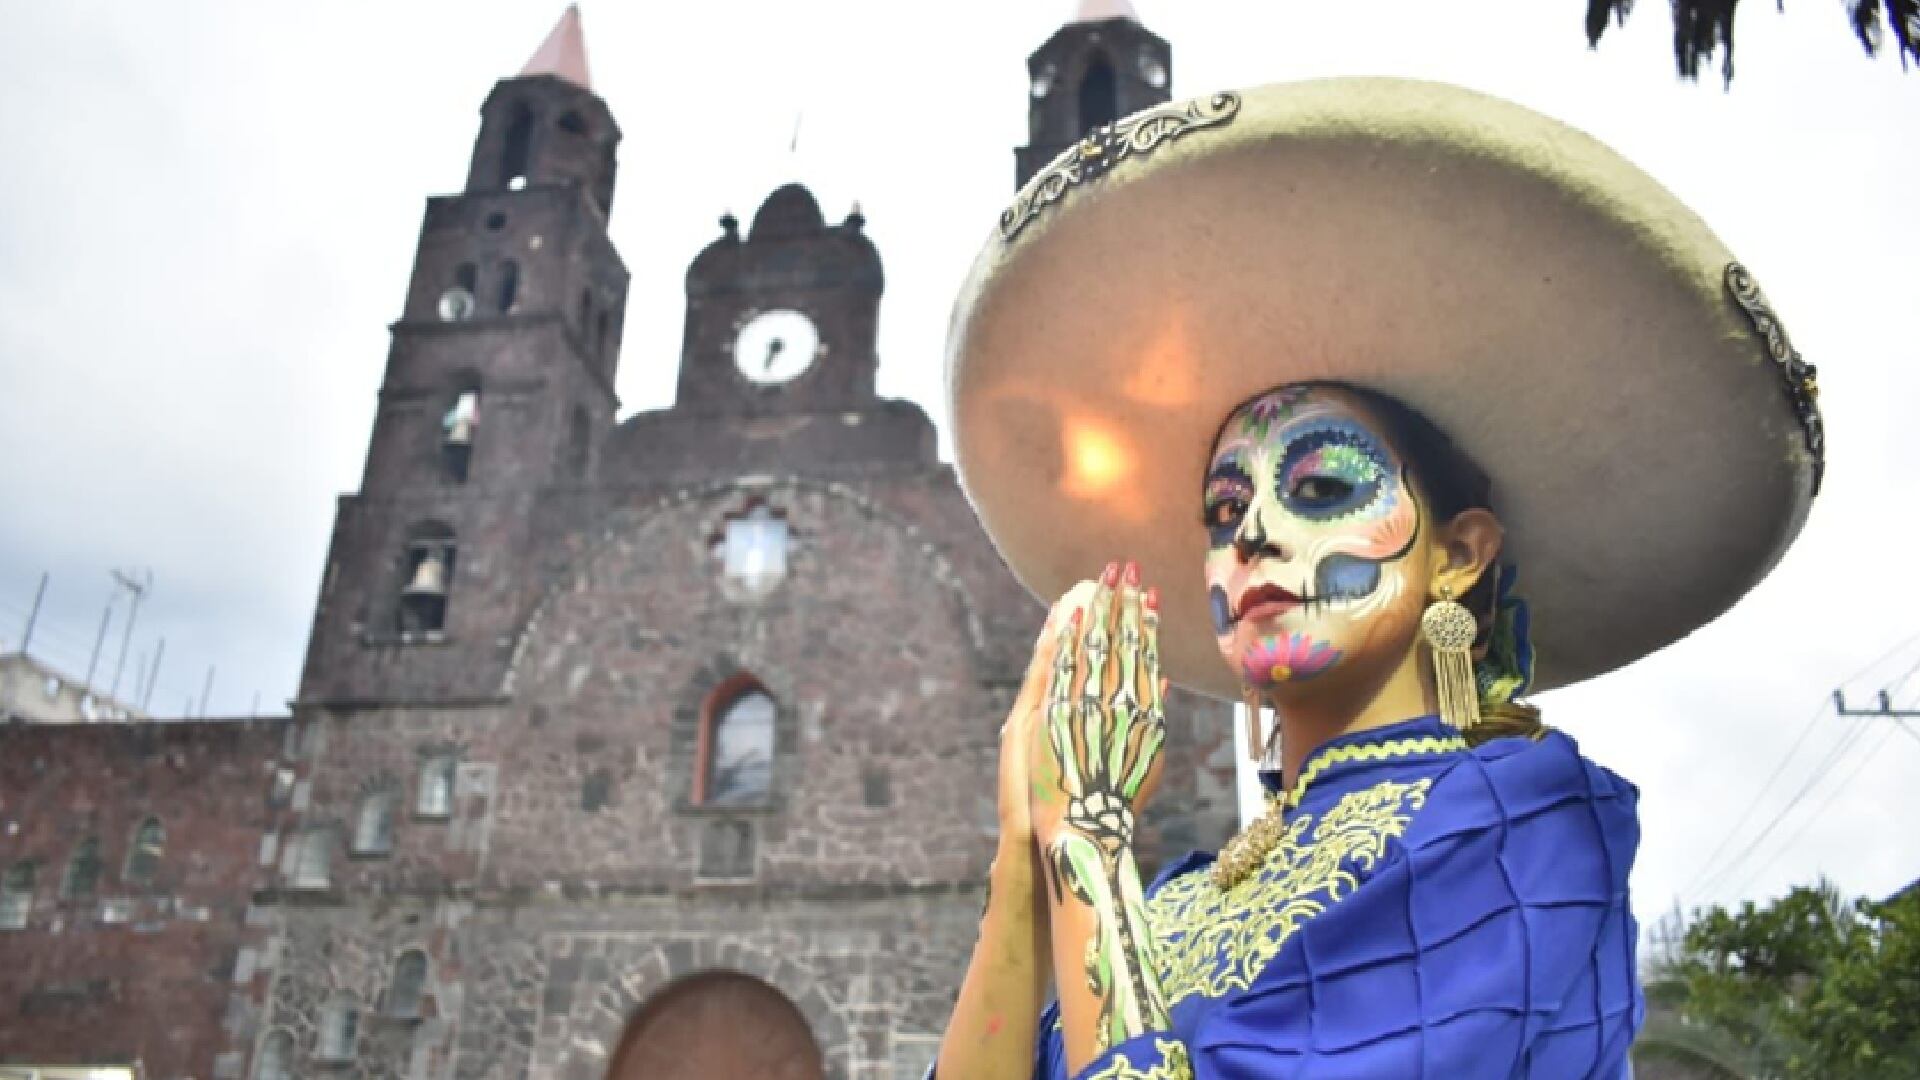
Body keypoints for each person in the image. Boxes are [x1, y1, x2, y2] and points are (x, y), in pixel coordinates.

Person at [931, 78, 1822, 1079]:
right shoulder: (1174, 895)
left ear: (1459, 551)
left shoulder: (1528, 822)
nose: (1253, 531)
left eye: (1320, 486)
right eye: (1224, 511)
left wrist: (1091, 844)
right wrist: (1027, 851)